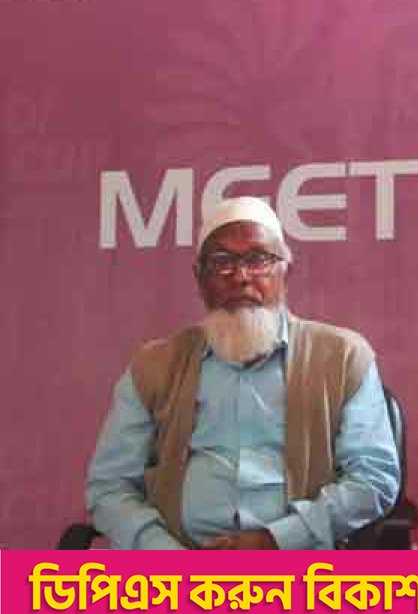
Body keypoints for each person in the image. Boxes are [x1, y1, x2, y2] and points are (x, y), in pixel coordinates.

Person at [86, 197, 400, 549]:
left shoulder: (342, 357)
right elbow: (109, 487)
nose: (240, 276)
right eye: (222, 262)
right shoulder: (154, 366)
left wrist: (275, 541)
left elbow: (373, 479)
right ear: (199, 278)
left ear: (285, 271)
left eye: (259, 259)